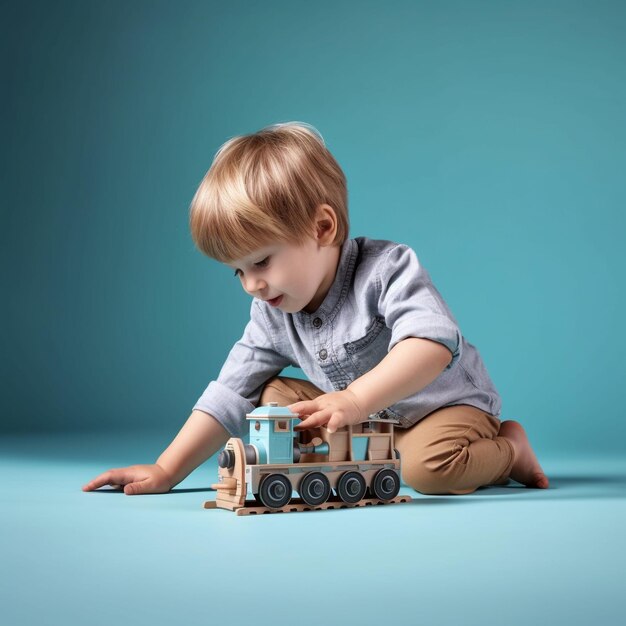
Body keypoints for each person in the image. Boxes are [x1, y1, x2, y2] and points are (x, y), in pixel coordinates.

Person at [83, 122, 548, 497]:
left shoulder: (386, 269)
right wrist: (166, 469)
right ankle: (356, 458)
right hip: (361, 424)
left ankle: (510, 447)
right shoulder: (272, 312)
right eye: (238, 272)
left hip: (441, 409)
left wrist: (353, 400)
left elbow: (431, 344)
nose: (252, 285)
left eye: (261, 261)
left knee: (429, 471)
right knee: (266, 395)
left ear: (322, 227)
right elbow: (228, 393)